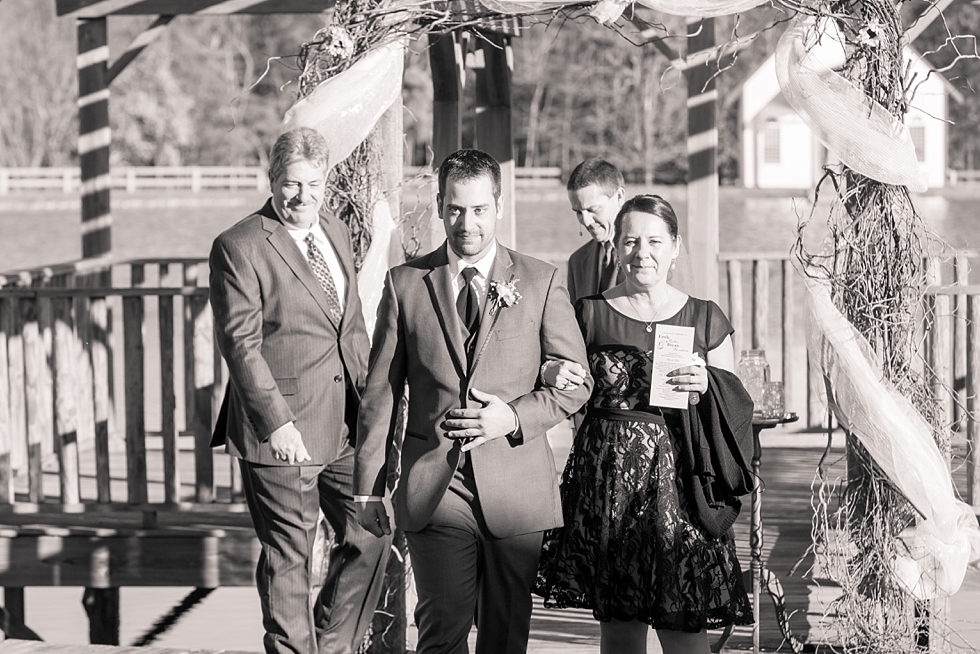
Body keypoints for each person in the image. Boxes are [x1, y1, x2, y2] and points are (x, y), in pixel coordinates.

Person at [353, 148, 593, 654]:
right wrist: (369, 489)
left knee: (505, 639)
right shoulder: (405, 284)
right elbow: (381, 394)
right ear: (440, 206)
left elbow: (575, 384)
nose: (468, 223)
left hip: (515, 486)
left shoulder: (540, 280)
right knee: (441, 630)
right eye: (457, 209)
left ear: (499, 206)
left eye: (480, 209)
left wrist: (514, 416)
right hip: (437, 485)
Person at [536, 194, 754, 654]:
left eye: (655, 240)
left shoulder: (705, 316)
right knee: (619, 632)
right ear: (615, 247)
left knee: (684, 631)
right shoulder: (588, 313)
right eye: (631, 241)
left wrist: (707, 384)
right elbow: (552, 373)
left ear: (675, 247)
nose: (643, 252)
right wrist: (550, 371)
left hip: (683, 486)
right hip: (608, 486)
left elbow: (738, 409)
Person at [210, 126, 391, 654]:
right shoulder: (239, 246)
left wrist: (373, 407)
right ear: (272, 180)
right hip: (281, 434)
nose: (302, 196)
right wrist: (277, 423)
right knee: (289, 557)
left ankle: (329, 648)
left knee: (372, 532)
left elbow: (351, 329)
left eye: (313, 184)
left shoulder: (334, 230)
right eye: (291, 184)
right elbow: (240, 345)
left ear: (326, 182)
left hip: (345, 425)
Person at [565, 158, 626, 306]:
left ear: (619, 197)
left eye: (593, 210)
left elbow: (682, 321)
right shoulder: (577, 261)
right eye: (578, 212)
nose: (585, 221)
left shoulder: (658, 250)